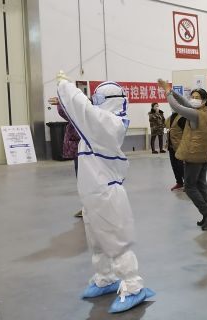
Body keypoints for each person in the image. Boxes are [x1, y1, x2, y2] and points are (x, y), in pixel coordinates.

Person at [55, 73, 154, 313]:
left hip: (105, 193)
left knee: (115, 241)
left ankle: (132, 285)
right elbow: (78, 111)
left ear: (109, 99)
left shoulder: (108, 123)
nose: (94, 100)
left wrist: (65, 85)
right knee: (97, 241)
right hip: (92, 192)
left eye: (98, 96)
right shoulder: (99, 121)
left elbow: (82, 108)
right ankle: (105, 277)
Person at [159, 82, 207, 230]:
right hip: (203, 155)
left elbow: (177, 107)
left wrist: (167, 93)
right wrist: (171, 91)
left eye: (197, 97)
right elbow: (184, 102)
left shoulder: (195, 113)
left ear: (204, 100)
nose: (193, 99)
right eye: (192, 97)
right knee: (201, 185)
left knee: (190, 187)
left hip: (193, 155)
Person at [49, 96, 83, 217]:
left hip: (82, 151)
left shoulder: (80, 113)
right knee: (82, 179)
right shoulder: (82, 111)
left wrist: (61, 102)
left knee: (83, 179)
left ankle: (88, 208)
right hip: (79, 150)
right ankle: (87, 207)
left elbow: (64, 113)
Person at [166, 111, 186, 191]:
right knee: (174, 166)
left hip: (180, 147)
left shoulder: (182, 117)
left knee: (181, 166)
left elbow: (186, 133)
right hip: (171, 146)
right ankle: (179, 182)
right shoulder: (169, 118)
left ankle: (187, 184)